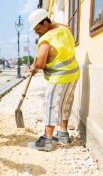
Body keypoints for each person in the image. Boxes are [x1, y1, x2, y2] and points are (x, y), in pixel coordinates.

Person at [27, 9, 80, 151]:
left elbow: (41, 64)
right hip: (73, 74)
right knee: (65, 103)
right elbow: (67, 27)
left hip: (59, 77)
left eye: (38, 29)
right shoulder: (65, 30)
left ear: (45, 23)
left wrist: (34, 69)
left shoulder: (45, 40)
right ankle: (63, 133)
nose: (36, 32)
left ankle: (47, 140)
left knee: (51, 105)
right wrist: (52, 23)